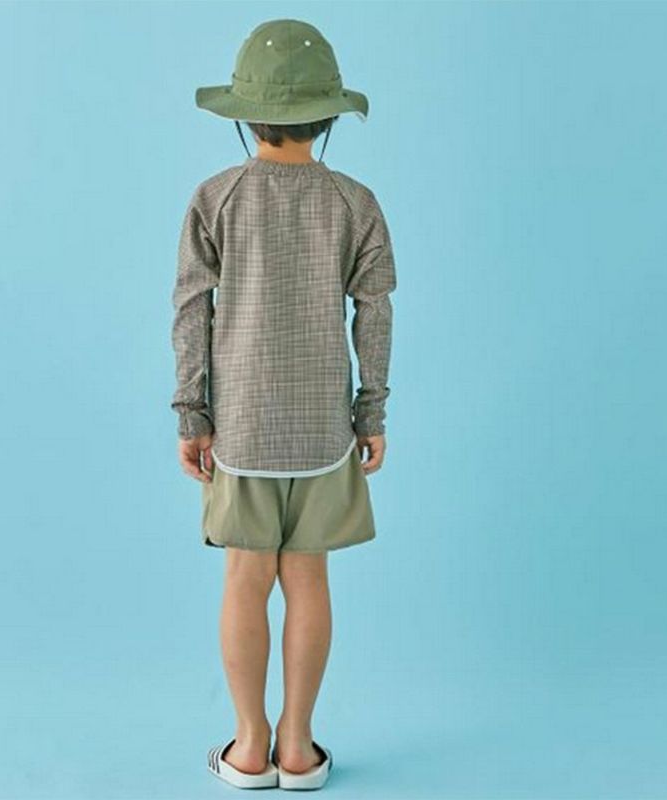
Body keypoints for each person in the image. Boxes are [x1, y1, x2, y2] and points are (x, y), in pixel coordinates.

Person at [170, 18, 397, 791]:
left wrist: (192, 414)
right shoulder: (355, 203)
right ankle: (298, 748)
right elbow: (375, 312)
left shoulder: (215, 199)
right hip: (324, 432)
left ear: (246, 115)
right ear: (328, 116)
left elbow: (191, 312)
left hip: (241, 430)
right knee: (309, 580)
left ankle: (248, 746)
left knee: (245, 578)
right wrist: (371, 413)